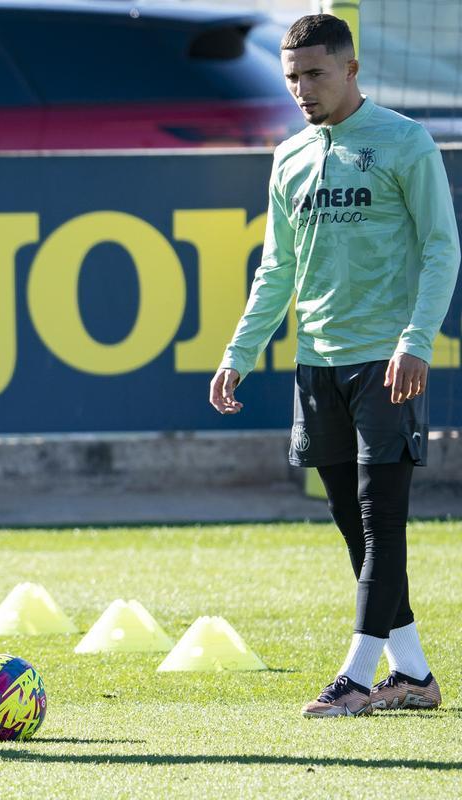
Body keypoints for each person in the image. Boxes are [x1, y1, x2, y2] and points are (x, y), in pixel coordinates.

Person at [209, 14, 459, 718]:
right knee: (354, 524)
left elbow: (442, 248)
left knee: (382, 523)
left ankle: (355, 676)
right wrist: (240, 351)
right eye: (291, 77)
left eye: (315, 74)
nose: (301, 89)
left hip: (387, 362)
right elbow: (278, 268)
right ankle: (412, 674)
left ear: (352, 69)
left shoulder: (406, 142)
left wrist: (417, 339)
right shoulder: (289, 156)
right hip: (316, 364)